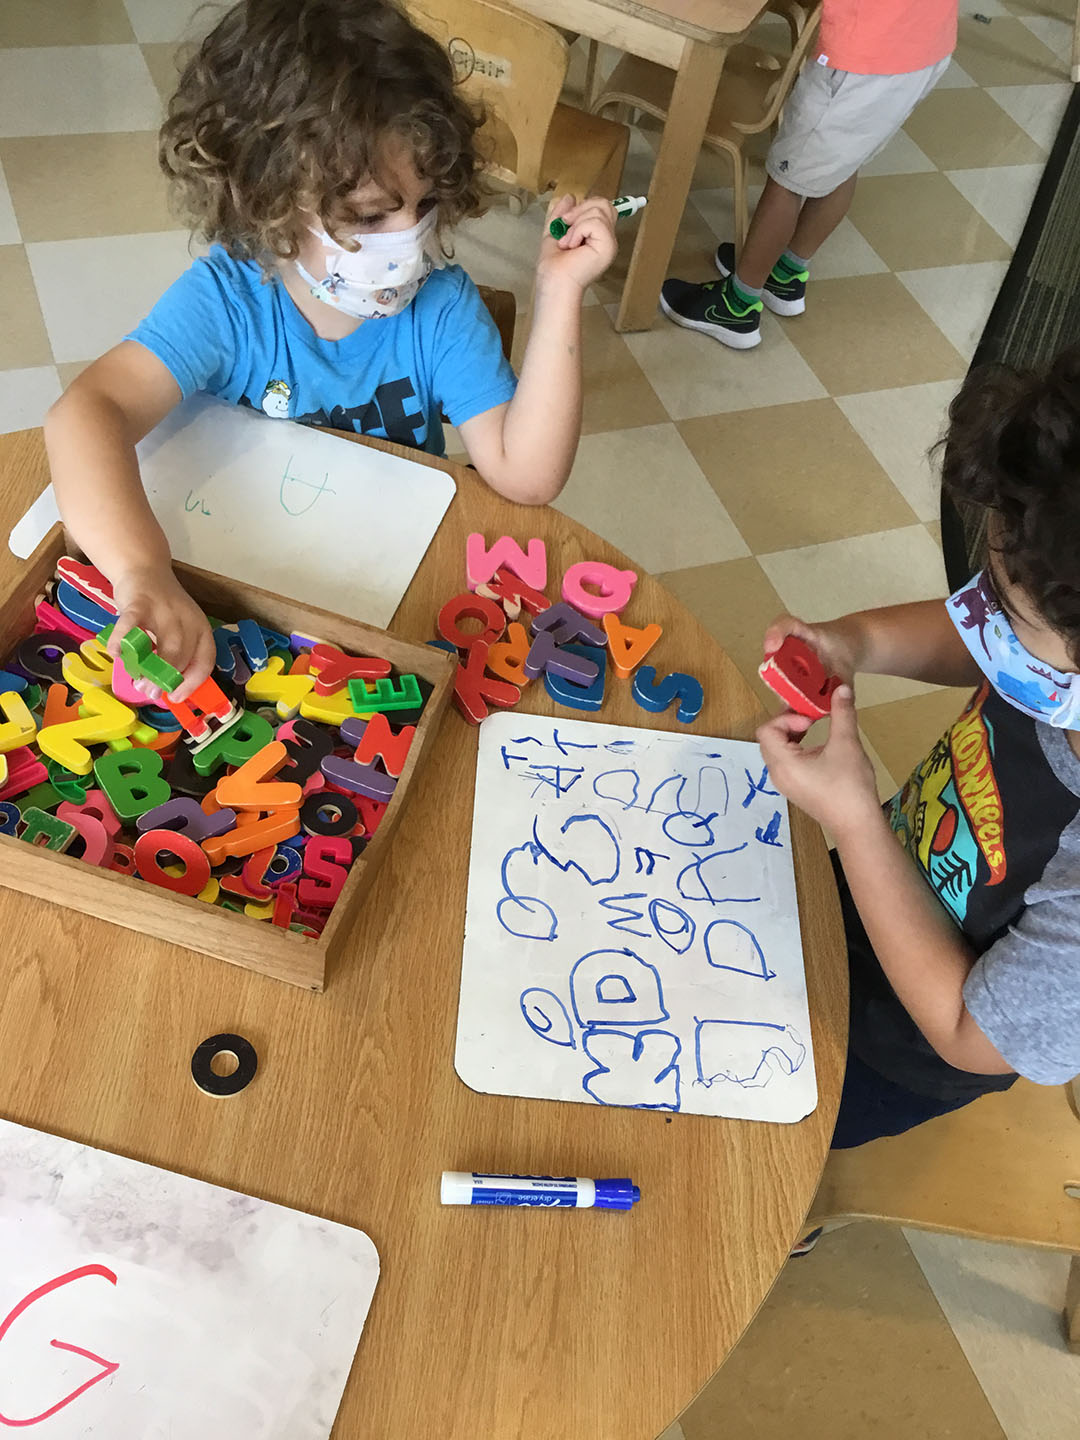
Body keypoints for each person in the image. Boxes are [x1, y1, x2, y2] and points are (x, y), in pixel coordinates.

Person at [44, 0, 616, 699]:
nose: (409, 236)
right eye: (372, 215)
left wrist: (560, 292)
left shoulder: (441, 307)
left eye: (425, 202)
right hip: (245, 601)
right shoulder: (230, 300)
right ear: (269, 202)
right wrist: (142, 570)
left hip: (384, 609)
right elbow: (85, 414)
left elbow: (527, 479)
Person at [757, 346, 1080, 1150]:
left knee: (768, 1141)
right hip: (858, 898)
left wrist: (857, 819)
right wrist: (855, 642)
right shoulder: (1055, 648)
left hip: (886, 1051)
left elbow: (968, 1034)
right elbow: (986, 646)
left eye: (1011, 613)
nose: (985, 621)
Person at [659, 0, 958, 349]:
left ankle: (736, 307)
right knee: (845, 161)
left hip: (862, 57)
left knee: (787, 181)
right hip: (925, 46)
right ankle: (784, 274)